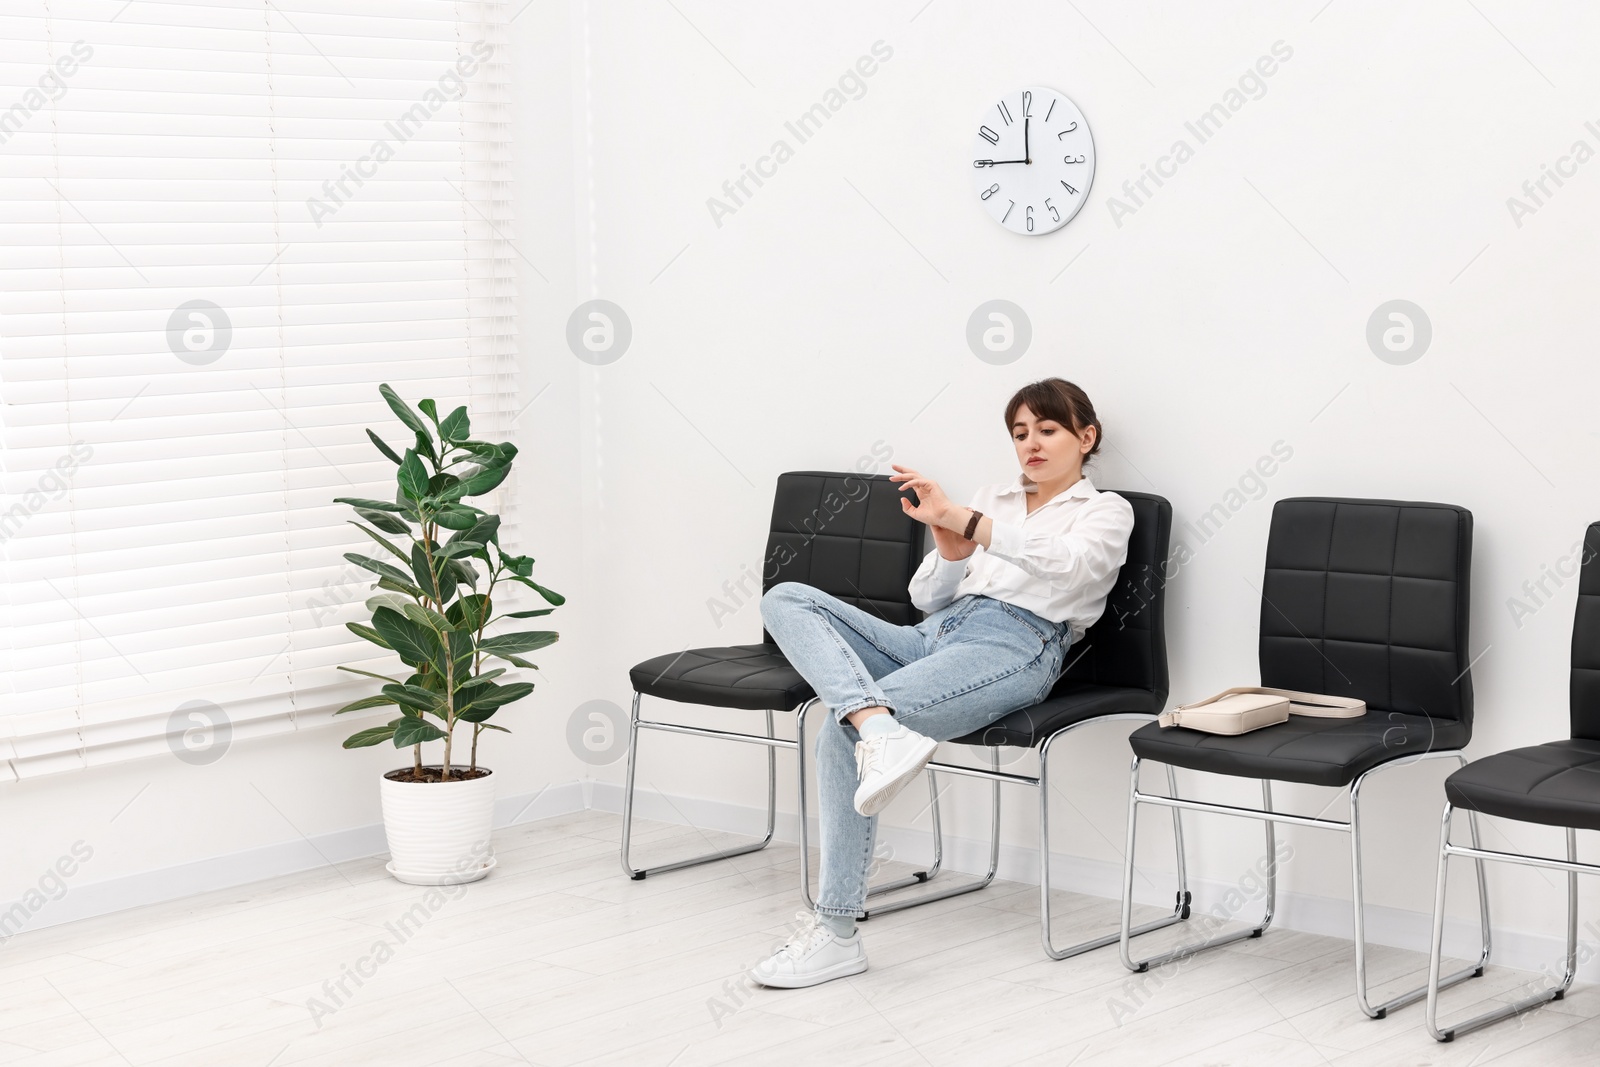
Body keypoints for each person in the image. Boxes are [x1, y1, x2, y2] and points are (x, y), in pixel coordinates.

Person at [748, 377, 1135, 988]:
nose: (1031, 443)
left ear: (1085, 438)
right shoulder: (995, 499)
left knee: (838, 734)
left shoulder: (1105, 511)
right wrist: (951, 546)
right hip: (935, 633)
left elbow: (1068, 572)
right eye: (1020, 432)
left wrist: (968, 521)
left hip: (1016, 643)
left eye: (1048, 429)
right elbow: (923, 595)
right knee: (788, 598)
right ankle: (878, 724)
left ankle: (837, 935)